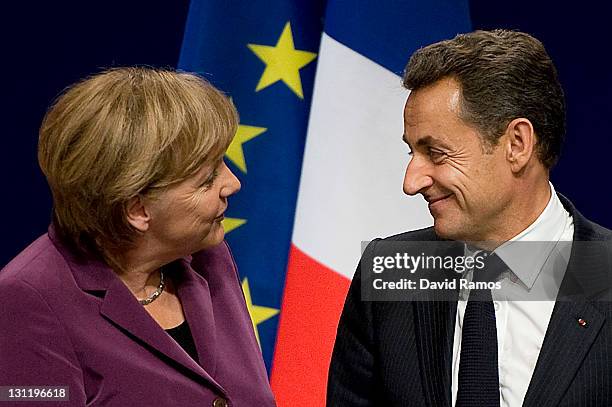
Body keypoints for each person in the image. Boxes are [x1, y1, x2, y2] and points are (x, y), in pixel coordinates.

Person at [328, 30, 612, 406]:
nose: (411, 182)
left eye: (437, 153)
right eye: (412, 152)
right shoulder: (392, 271)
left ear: (517, 145)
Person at [0, 67, 276, 406]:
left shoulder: (207, 254)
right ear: (137, 210)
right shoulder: (27, 301)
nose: (233, 184)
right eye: (206, 180)